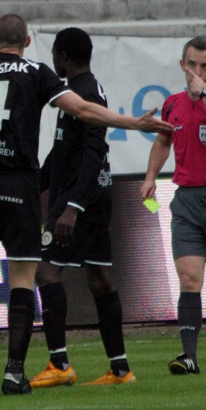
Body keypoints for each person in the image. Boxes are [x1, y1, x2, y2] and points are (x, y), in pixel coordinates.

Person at [0, 14, 173, 396]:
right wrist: (134, 124)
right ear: (27, 42)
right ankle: (13, 372)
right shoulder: (39, 73)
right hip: (18, 186)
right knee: (25, 279)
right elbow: (85, 111)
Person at [29, 27, 135, 390]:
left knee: (45, 272)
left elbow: (93, 152)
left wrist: (72, 207)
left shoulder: (83, 93)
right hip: (94, 198)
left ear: (62, 55)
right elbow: (63, 152)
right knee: (101, 279)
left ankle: (59, 363)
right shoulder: (85, 89)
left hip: (79, 201)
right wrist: (35, 185)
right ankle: (120, 370)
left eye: (55, 54)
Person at [140, 35, 206, 375]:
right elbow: (162, 141)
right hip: (186, 200)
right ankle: (189, 356)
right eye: (192, 64)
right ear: (182, 65)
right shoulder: (171, 104)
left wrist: (205, 94)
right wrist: (150, 176)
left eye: (205, 66)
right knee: (189, 279)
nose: (197, 71)